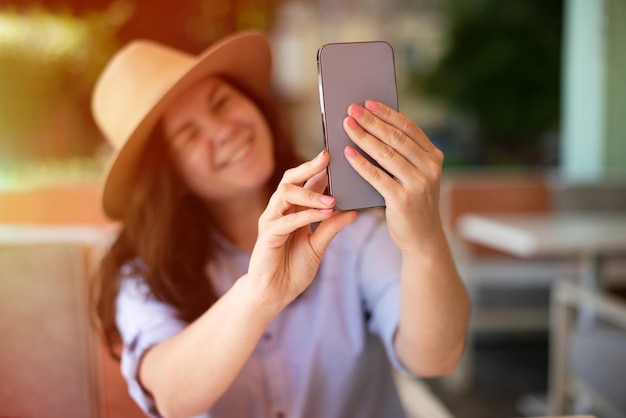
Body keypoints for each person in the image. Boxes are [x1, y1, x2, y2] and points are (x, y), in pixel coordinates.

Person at [90, 30, 470, 418]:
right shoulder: (140, 270)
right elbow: (172, 398)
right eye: (189, 135)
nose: (223, 131)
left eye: (221, 102)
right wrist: (260, 293)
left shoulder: (353, 231)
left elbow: (435, 358)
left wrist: (424, 240)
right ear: (170, 177)